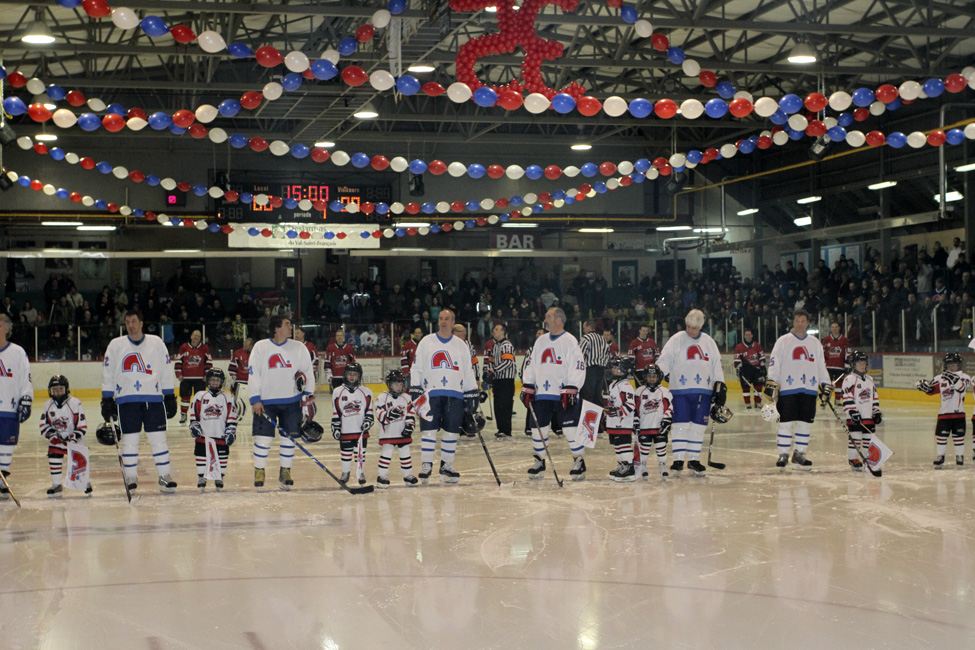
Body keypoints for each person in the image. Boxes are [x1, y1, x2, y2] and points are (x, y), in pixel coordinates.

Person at [101, 310, 178, 493]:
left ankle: (164, 476)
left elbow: (166, 369)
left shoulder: (156, 343)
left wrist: (169, 395)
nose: (130, 325)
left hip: (153, 399)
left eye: (134, 321)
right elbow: (108, 372)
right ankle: (131, 478)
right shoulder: (116, 345)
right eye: (127, 322)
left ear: (141, 323)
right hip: (127, 400)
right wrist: (107, 399)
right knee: (129, 441)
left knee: (159, 440)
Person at [409, 309, 478, 484]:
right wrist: (416, 387)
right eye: (440, 318)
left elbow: (467, 370)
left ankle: (447, 464)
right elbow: (416, 366)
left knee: (452, 431)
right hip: (431, 393)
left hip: (455, 393)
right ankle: (426, 464)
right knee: (429, 430)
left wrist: (471, 391)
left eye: (447, 318)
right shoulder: (426, 341)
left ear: (453, 321)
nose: (443, 321)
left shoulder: (461, 344)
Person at [656, 309, 726, 477]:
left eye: (694, 328)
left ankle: (694, 459)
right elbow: (665, 360)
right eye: (688, 326)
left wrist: (720, 385)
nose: (690, 331)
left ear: (701, 326)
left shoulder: (709, 342)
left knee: (698, 426)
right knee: (680, 425)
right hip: (679, 391)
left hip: (704, 391)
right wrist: (657, 373)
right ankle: (678, 460)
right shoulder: (676, 340)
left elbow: (716, 365)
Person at [249, 315, 316, 490]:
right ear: (276, 328)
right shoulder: (260, 347)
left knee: (289, 438)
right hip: (265, 402)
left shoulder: (299, 347)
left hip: (292, 402)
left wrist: (308, 396)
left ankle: (285, 471)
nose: (291, 327)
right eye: (287, 324)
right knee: (262, 439)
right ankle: (259, 471)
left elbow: (307, 372)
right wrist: (255, 398)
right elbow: (253, 373)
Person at [521, 307, 588, 481]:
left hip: (563, 392)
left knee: (570, 429)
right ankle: (539, 461)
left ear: (558, 320)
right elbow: (532, 364)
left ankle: (578, 460)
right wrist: (528, 384)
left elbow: (578, 365)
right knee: (537, 429)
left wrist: (572, 386)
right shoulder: (541, 341)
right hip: (542, 393)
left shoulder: (570, 341)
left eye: (548, 316)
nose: (545, 319)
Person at [765, 308, 832, 470]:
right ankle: (783, 453)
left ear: (807, 323)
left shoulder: (815, 343)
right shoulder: (783, 341)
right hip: (788, 388)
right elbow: (774, 363)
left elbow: (821, 366)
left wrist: (825, 383)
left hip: (809, 389)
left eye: (803, 321)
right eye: (797, 321)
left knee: (805, 423)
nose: (800, 324)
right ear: (793, 323)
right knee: (785, 422)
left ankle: (800, 453)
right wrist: (772, 382)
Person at [916, 352, 971, 468]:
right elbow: (931, 390)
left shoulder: (965, 377)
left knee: (958, 437)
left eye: (954, 364)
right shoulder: (940, 378)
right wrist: (924, 387)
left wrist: (953, 379)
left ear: (959, 365)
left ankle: (959, 456)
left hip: (959, 413)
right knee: (941, 437)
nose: (951, 367)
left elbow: (961, 388)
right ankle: (940, 456)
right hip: (944, 414)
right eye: (949, 365)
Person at [39, 375, 91, 497]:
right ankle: (56, 484)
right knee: (53, 454)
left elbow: (82, 424)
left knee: (79, 459)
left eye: (60, 389)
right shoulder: (47, 405)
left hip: (74, 441)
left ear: (66, 389)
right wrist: (52, 435)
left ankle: (85, 482)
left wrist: (73, 437)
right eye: (55, 389)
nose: (57, 392)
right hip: (57, 440)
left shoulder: (76, 403)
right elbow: (43, 424)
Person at [189, 368, 237, 491]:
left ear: (222, 382)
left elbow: (231, 415)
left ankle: (219, 476)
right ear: (208, 381)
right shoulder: (200, 396)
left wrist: (231, 430)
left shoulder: (227, 397)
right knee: (201, 454)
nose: (215, 383)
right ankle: (201, 477)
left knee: (222, 455)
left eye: (217, 380)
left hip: (220, 433)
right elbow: (195, 413)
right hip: (204, 435)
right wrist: (194, 425)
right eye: (212, 380)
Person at [330, 362, 374, 485]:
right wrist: (336, 428)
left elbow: (369, 413)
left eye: (355, 374)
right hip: (346, 429)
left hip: (360, 430)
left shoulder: (366, 391)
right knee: (346, 453)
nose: (352, 377)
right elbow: (336, 412)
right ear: (345, 375)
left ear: (359, 376)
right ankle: (345, 473)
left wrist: (368, 423)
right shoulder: (338, 391)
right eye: (350, 374)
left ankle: (360, 473)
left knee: (360, 453)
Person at [375, 369, 418, 488]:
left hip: (402, 433)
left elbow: (410, 414)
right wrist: (388, 415)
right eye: (395, 384)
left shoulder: (406, 398)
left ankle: (408, 475)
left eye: (401, 384)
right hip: (388, 433)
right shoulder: (382, 398)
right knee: (386, 453)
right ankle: (381, 476)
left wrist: (410, 426)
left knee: (405, 453)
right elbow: (379, 415)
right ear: (389, 384)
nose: (399, 387)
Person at [841, 352, 882, 474]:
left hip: (868, 416)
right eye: (859, 362)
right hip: (855, 417)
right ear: (853, 364)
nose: (862, 365)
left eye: (864, 362)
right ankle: (853, 459)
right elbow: (847, 397)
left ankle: (868, 459)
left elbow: (874, 397)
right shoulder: (849, 379)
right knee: (856, 439)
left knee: (868, 440)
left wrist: (876, 411)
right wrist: (852, 411)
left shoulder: (870, 379)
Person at [634, 364, 673, 479]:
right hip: (644, 426)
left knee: (661, 446)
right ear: (645, 377)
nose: (652, 378)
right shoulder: (639, 391)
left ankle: (662, 465)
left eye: (654, 376)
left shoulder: (664, 392)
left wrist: (666, 419)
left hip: (659, 426)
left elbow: (669, 407)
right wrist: (635, 420)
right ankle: (643, 465)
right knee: (644, 448)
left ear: (659, 377)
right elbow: (635, 409)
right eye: (649, 376)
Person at [603, 355, 638, 482]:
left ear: (625, 370)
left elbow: (630, 404)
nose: (612, 369)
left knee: (623, 444)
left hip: (623, 423)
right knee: (617, 445)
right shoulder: (613, 385)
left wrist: (617, 411)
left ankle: (629, 468)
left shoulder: (626, 385)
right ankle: (621, 466)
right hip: (614, 423)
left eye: (615, 367)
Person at [484, 323, 516, 440]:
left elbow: (508, 362)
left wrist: (494, 370)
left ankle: (506, 431)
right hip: (498, 380)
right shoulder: (495, 346)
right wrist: (488, 371)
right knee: (498, 406)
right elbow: (490, 360)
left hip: (506, 380)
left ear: (503, 332)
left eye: (497, 329)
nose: (494, 331)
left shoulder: (507, 345)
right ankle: (501, 429)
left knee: (505, 406)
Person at [175, 330, 213, 424]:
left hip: (200, 378)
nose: (196, 337)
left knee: (200, 398)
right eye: (195, 335)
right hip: (186, 378)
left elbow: (209, 362)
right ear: (191, 336)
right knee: (184, 397)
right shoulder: (184, 347)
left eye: (199, 336)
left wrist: (206, 375)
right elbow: (178, 361)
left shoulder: (204, 348)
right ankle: (184, 415)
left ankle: (198, 415)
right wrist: (179, 374)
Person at [579, 320, 610, 412]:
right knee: (597, 396)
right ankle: (599, 421)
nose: (583, 330)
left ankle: (586, 421)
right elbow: (607, 356)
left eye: (584, 328)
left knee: (587, 396)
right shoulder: (602, 339)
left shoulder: (586, 338)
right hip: (601, 371)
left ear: (589, 327)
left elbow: (580, 355)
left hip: (589, 371)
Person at [520, 327, 546, 437]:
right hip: (534, 381)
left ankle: (547, 426)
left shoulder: (549, 348)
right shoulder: (531, 350)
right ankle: (529, 427)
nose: (537, 335)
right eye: (537, 333)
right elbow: (525, 365)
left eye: (540, 333)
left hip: (546, 382)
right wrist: (524, 379)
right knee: (531, 403)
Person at [734, 328, 766, 409]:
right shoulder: (739, 347)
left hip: (756, 370)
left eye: (749, 335)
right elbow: (737, 359)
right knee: (745, 388)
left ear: (752, 335)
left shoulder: (757, 345)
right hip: (746, 370)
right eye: (746, 335)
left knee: (758, 386)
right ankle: (747, 403)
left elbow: (761, 356)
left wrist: (762, 366)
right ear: (744, 336)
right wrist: (739, 369)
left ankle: (758, 402)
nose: (748, 336)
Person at [821, 322, 850, 408]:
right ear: (830, 328)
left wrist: (847, 363)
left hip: (839, 366)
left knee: (839, 384)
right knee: (827, 384)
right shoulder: (826, 339)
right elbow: (821, 351)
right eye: (832, 327)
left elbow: (848, 352)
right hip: (828, 366)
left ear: (839, 328)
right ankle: (824, 400)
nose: (834, 328)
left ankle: (837, 400)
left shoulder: (844, 340)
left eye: (836, 327)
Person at [228, 337, 253, 415]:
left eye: (246, 345)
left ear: (251, 346)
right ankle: (236, 416)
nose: (244, 347)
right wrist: (232, 378)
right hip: (239, 382)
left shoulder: (256, 353)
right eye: (244, 345)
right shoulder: (238, 353)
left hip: (251, 382)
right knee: (238, 402)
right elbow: (232, 368)